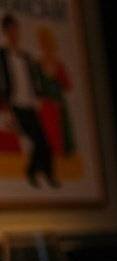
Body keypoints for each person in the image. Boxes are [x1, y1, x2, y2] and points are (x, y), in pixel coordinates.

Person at [0, 13, 58, 187]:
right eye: (11, 30)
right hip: (16, 105)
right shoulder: (2, 56)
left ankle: (44, 174)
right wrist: (6, 106)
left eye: (16, 29)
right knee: (38, 141)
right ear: (5, 32)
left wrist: (38, 96)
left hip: (30, 104)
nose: (14, 33)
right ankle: (34, 173)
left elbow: (33, 78)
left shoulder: (26, 56)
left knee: (44, 142)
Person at [37, 24, 74, 157]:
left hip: (58, 104)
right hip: (46, 104)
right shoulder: (38, 64)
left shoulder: (58, 65)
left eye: (47, 42)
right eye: (43, 43)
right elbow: (37, 86)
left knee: (60, 132)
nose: (45, 46)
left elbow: (68, 85)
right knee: (47, 131)